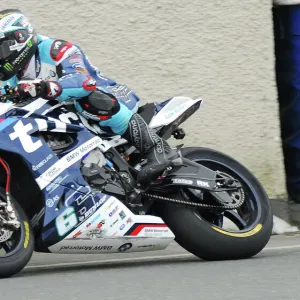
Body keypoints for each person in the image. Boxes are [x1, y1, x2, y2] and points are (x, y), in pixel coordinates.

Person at [0, 9, 178, 183]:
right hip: (63, 118)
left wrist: (43, 87)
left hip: (110, 97)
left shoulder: (55, 49)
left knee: (90, 99)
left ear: (19, 40)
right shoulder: (9, 79)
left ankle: (156, 147)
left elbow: (83, 81)